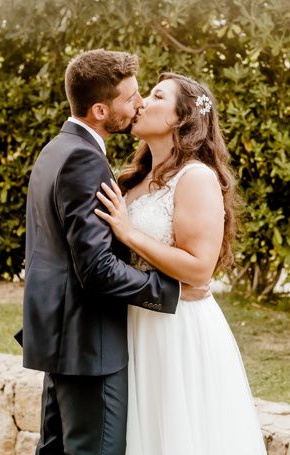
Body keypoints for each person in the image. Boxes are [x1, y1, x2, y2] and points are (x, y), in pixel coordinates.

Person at [15, 51, 208, 455]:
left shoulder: (56, 149)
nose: (138, 104)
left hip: (64, 340)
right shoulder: (85, 159)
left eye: (148, 95)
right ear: (101, 109)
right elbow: (97, 268)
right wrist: (169, 290)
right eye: (132, 97)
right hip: (90, 345)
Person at [95, 72, 267, 454]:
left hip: (178, 327)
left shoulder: (195, 177)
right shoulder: (132, 180)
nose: (141, 102)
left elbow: (200, 269)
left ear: (181, 118)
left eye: (156, 96)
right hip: (136, 320)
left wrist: (130, 233)